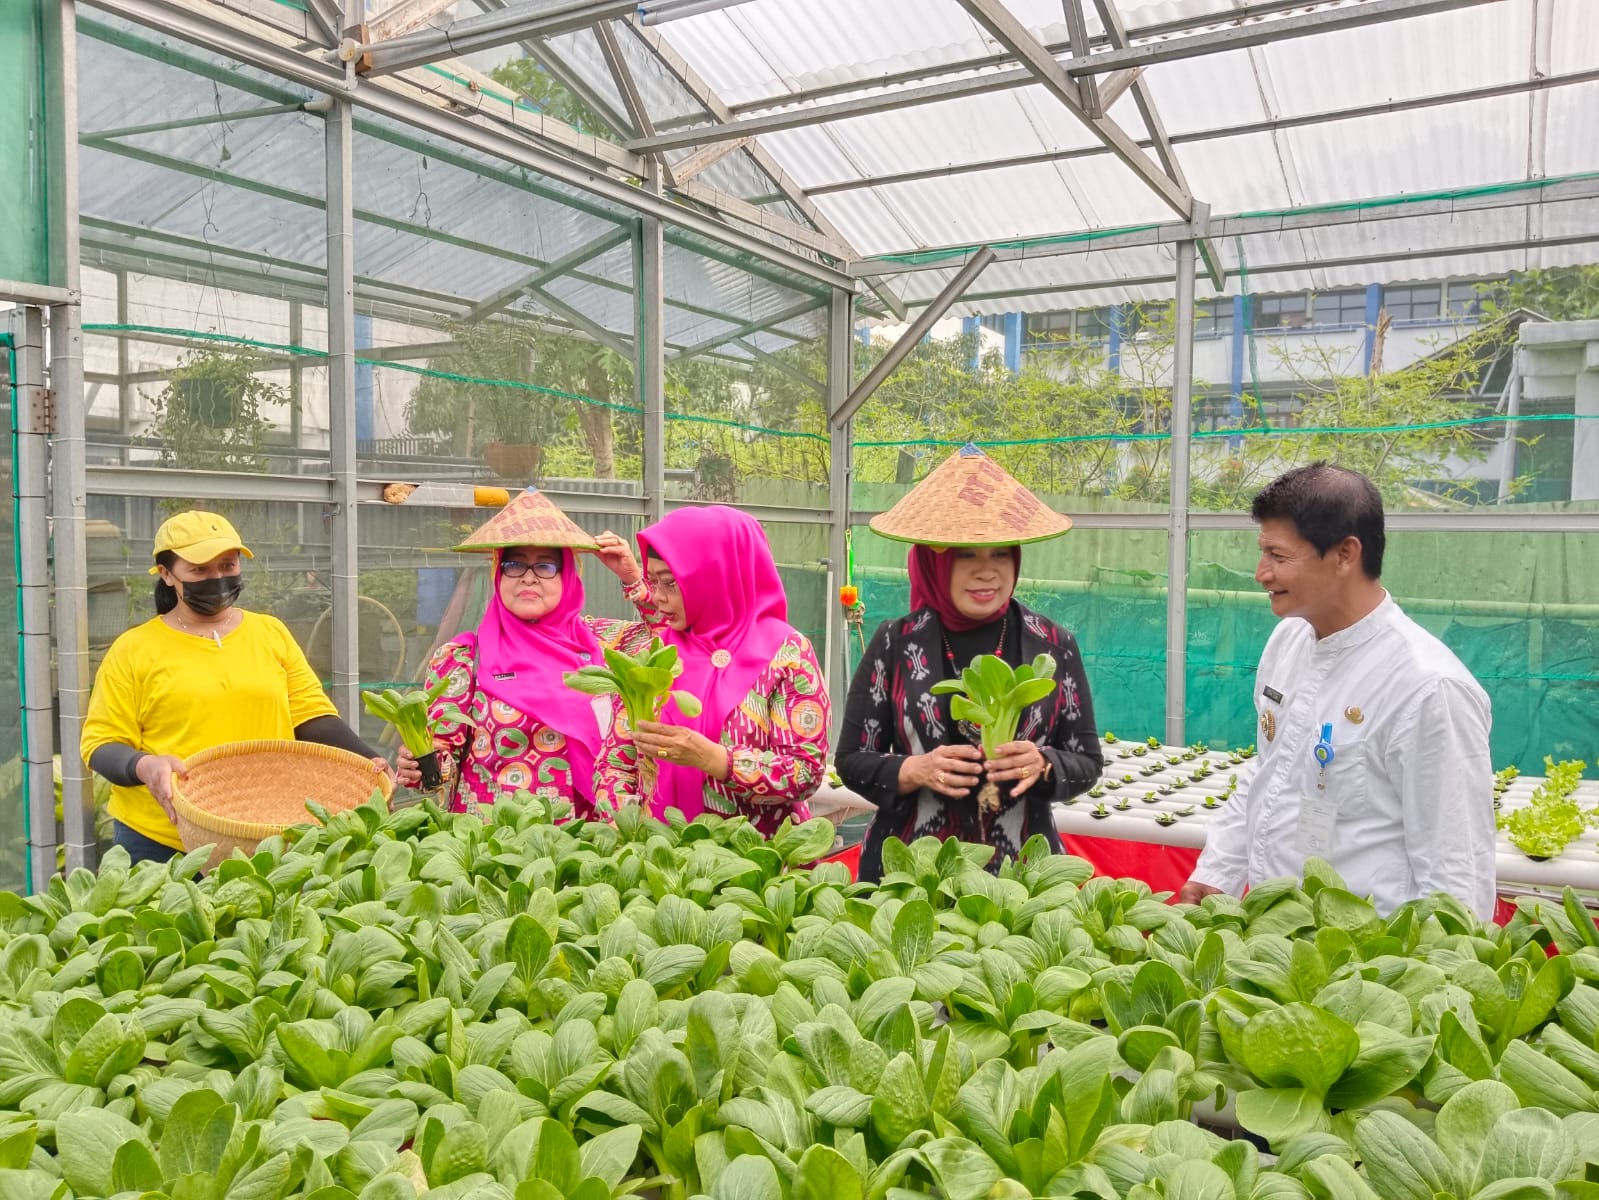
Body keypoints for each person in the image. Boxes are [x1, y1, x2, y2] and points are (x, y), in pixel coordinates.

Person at [1177, 463, 1496, 919]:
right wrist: (1218, 871)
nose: (1261, 573)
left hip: (1368, 957)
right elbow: (1267, 772)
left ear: (1346, 554)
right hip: (1278, 934)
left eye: (1278, 556)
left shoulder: (1427, 687)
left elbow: (1456, 865)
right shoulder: (1288, 642)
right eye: (1262, 552)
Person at [837, 445, 1103, 881]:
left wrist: (1043, 764)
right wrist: (913, 769)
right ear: (933, 562)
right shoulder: (895, 643)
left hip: (1023, 876)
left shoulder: (1053, 644)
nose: (987, 571)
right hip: (909, 871)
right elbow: (851, 759)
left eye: (1000, 554)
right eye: (966, 555)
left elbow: (1087, 760)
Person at [82, 511, 387, 865]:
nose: (217, 578)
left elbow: (311, 715)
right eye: (199, 570)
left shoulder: (269, 633)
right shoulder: (134, 649)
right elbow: (101, 743)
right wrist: (144, 765)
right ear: (166, 574)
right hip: (162, 839)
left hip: (263, 833)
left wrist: (368, 759)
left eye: (227, 566)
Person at [395, 489, 658, 818]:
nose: (528, 578)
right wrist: (420, 766)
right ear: (497, 574)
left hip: (591, 847)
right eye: (514, 565)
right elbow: (439, 765)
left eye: (545, 566)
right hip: (497, 850)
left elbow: (673, 639)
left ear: (567, 577)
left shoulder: (603, 645)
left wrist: (632, 578)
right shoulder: (464, 658)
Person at [593, 505, 829, 835]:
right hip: (661, 865)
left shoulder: (786, 654)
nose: (658, 598)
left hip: (756, 867)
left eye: (671, 584)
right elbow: (615, 764)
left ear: (717, 577)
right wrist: (628, 829)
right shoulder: (656, 653)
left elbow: (805, 771)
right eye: (653, 582)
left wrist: (715, 759)